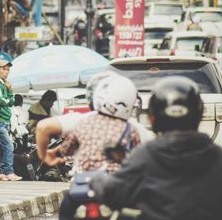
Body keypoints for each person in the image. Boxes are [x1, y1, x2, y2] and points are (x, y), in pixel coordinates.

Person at [91, 76, 222, 220]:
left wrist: (95, 179)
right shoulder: (218, 156)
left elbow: (112, 194)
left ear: (152, 119)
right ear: (199, 114)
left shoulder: (146, 156)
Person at [36, 75, 141, 220]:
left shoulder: (84, 122)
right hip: (116, 189)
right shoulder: (131, 128)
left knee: (65, 211)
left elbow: (66, 148)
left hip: (83, 187)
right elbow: (139, 157)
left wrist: (49, 155)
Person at [0, 60, 22, 181]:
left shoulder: (5, 84)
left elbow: (12, 102)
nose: (6, 72)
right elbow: (1, 100)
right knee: (9, 146)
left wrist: (10, 91)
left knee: (0, 148)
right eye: (3, 69)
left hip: (4, 120)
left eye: (8, 69)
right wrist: (8, 98)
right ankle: (9, 172)